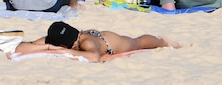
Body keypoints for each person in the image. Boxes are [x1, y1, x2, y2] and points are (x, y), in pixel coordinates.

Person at [11, 21, 177, 63]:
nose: (75, 45)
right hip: (97, 36)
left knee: (137, 42)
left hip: (110, 42)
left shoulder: (84, 41)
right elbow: (20, 47)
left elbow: (94, 57)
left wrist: (62, 51)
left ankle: (162, 41)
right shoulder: (53, 40)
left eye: (75, 41)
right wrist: (47, 46)